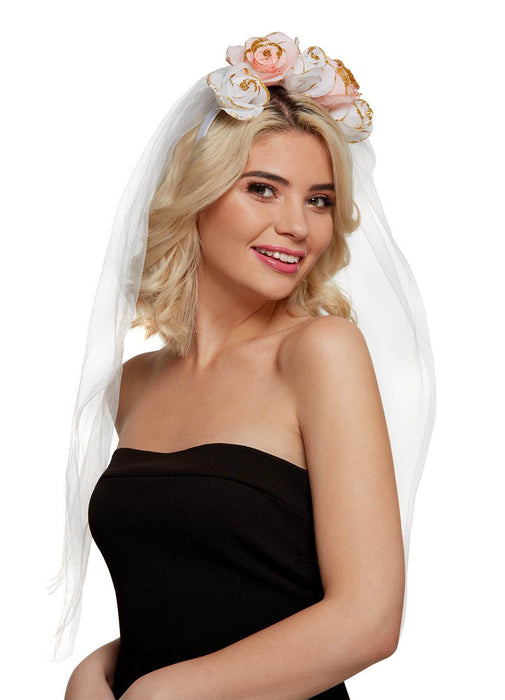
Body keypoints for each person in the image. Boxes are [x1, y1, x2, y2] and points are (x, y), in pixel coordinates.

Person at [52, 32, 436, 699]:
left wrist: (158, 693)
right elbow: (197, 597)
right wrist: (102, 668)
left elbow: (367, 621)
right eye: (263, 189)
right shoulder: (137, 383)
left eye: (319, 200)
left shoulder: (319, 352)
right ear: (196, 195)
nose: (298, 226)